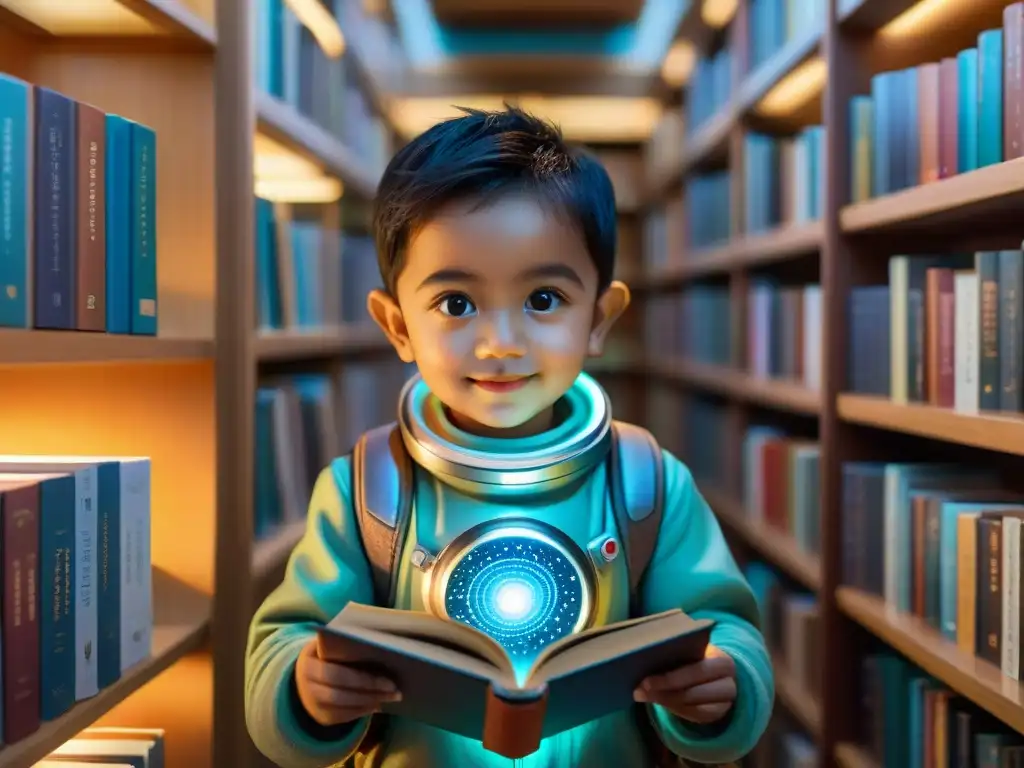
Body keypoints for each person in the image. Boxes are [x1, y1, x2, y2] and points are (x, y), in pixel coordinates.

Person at [245, 105, 774, 768]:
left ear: (599, 319)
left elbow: (725, 629)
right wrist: (302, 688)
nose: (501, 344)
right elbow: (283, 641)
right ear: (398, 326)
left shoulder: (646, 481)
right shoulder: (364, 489)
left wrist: (722, 687)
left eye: (544, 299)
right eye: (456, 304)